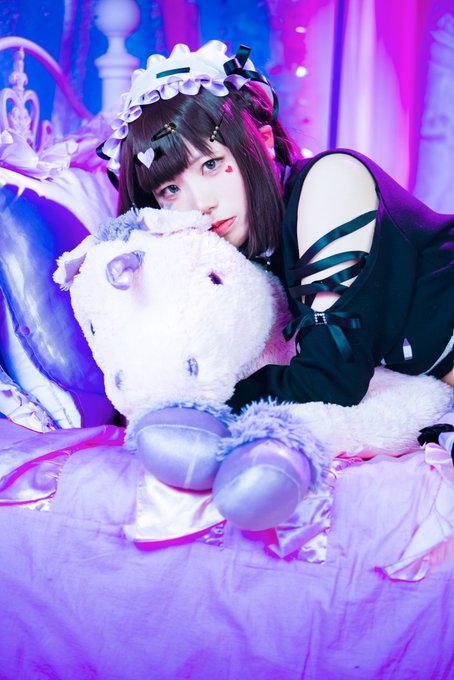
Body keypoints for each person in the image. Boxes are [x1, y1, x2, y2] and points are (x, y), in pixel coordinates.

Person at [97, 39, 454, 528]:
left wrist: (200, 402)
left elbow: (331, 379)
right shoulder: (243, 267)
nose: (199, 202)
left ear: (262, 143)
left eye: (211, 164)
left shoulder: (330, 182)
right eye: (170, 189)